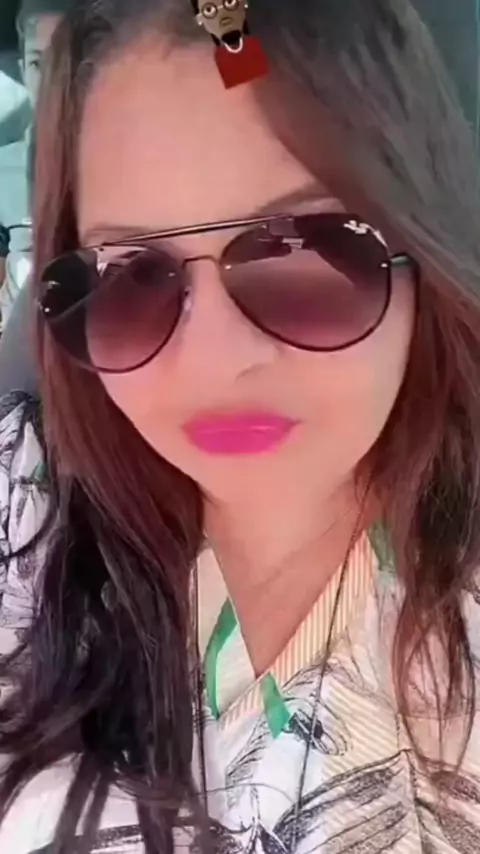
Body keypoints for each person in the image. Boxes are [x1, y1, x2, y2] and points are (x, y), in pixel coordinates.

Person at [0, 0, 480, 852]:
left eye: (306, 255)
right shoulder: (21, 502)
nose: (215, 364)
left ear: (424, 251)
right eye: (131, 274)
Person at [0, 0, 68, 329]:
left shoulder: (126, 161)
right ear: (23, 69)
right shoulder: (4, 168)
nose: (52, 79)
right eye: (38, 63)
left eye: (64, 61)